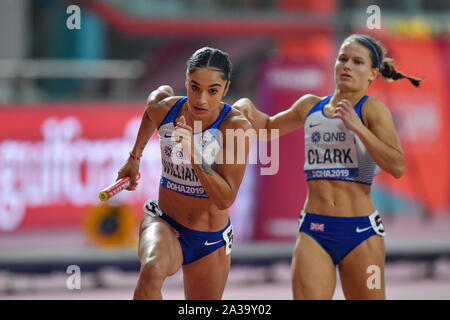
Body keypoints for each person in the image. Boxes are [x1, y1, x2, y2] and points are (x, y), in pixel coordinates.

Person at [236, 34, 422, 299]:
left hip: (361, 233)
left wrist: (358, 128)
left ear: (371, 74)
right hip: (314, 229)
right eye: (342, 58)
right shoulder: (310, 106)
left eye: (357, 61)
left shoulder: (373, 111)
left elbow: (397, 166)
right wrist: (246, 105)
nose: (346, 65)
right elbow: (267, 128)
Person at [116, 47, 252, 299]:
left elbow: (225, 198)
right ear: (187, 81)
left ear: (225, 89)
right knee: (151, 271)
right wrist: (134, 157)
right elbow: (152, 105)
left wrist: (193, 153)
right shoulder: (167, 110)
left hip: (210, 239)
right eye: (194, 87)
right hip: (165, 222)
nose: (201, 99)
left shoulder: (234, 128)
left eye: (212, 91)